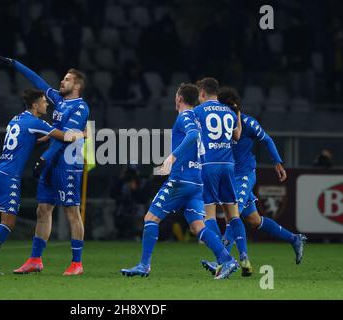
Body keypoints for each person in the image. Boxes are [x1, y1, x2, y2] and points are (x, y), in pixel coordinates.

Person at [0, 89, 85, 274]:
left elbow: (30, 140)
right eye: (43, 102)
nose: (46, 104)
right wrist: (83, 134)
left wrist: (46, 138)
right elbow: (65, 137)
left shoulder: (16, 119)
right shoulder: (35, 122)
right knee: (8, 222)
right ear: (35, 105)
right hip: (9, 177)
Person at [120, 83, 239, 279]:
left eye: (176, 95)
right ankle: (227, 260)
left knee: (150, 218)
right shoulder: (197, 118)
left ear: (179, 98)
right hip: (197, 181)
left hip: (181, 180)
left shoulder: (185, 116)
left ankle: (144, 265)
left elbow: (192, 136)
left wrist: (171, 158)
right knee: (197, 226)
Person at [0, 56, 90, 276]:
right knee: (43, 209)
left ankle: (77, 263)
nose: (62, 82)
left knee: (71, 211)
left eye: (67, 79)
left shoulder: (80, 108)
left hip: (67, 162)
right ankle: (35, 259)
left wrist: (45, 157)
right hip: (50, 161)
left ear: (77, 85)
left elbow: (66, 137)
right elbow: (38, 81)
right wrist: (15, 64)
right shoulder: (58, 100)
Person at [201, 87, 307, 276]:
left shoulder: (248, 123)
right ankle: (294, 239)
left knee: (233, 214)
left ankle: (223, 258)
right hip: (229, 177)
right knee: (255, 220)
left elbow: (266, 140)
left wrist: (277, 162)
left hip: (244, 175)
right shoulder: (222, 124)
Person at [193, 78, 253, 276]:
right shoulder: (228, 111)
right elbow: (237, 135)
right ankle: (244, 259)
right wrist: (236, 114)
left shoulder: (198, 112)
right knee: (233, 215)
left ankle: (223, 260)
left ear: (202, 93)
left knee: (209, 215)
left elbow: (191, 137)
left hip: (209, 166)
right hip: (229, 166)